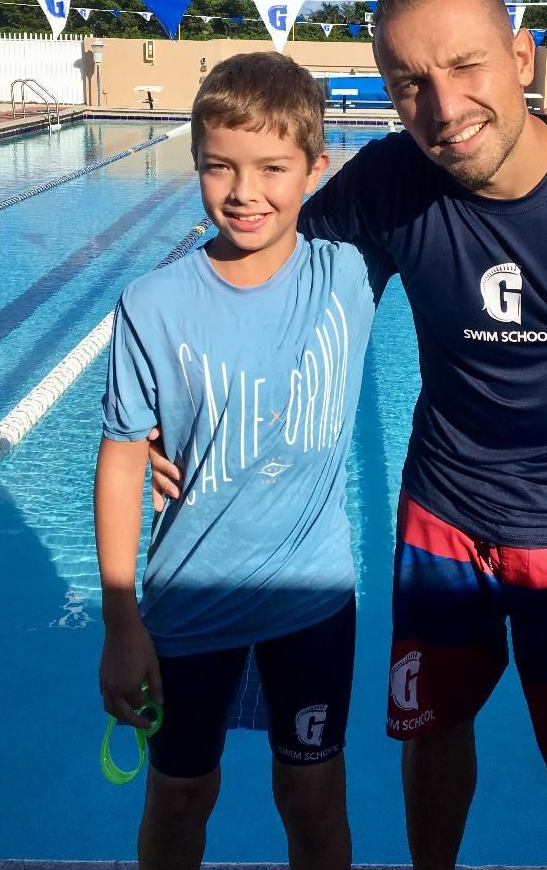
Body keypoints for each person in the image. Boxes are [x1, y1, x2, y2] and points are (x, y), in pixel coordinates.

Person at [151, 0, 547, 870]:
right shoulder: (391, 181)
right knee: (434, 731)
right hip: (443, 521)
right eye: (410, 81)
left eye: (467, 67)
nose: (444, 104)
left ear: (523, 60)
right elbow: (265, 250)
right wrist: (166, 408)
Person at [94, 52, 391, 870]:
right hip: (190, 603)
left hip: (312, 598)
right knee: (182, 795)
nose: (243, 191)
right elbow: (122, 460)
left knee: (312, 797)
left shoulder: (353, 272)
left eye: (272, 168)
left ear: (315, 169)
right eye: (219, 165)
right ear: (193, 161)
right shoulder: (152, 304)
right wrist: (122, 625)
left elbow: (453, 161)